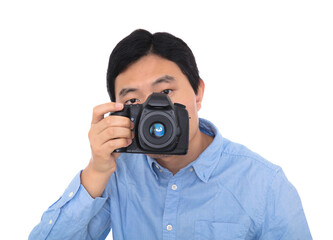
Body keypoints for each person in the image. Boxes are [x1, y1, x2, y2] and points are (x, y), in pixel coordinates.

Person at [29, 29, 312, 240]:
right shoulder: (117, 173)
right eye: (132, 101)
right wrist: (95, 171)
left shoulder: (265, 184)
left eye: (165, 92)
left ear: (198, 92)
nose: (154, 111)